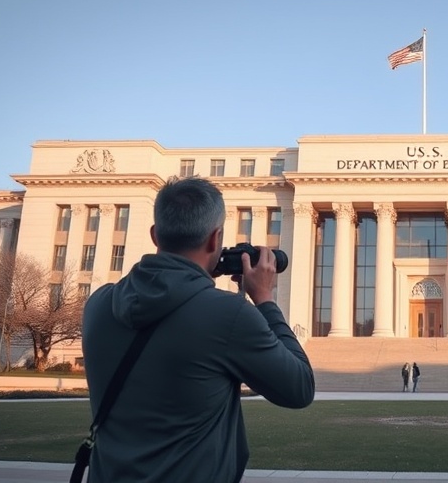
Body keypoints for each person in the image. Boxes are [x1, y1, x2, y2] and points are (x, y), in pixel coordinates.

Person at [82, 177, 315, 483]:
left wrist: (199, 273)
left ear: (155, 235)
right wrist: (265, 299)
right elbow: (298, 388)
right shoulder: (229, 314)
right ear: (214, 239)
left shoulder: (98, 305)